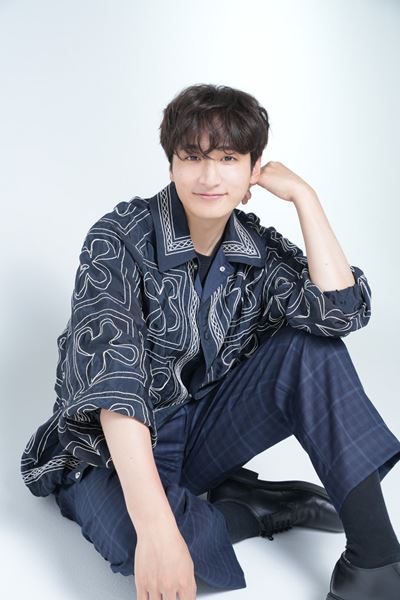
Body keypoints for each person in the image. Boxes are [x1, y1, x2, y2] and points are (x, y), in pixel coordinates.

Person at [20, 83, 400, 600]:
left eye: (227, 158)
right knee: (147, 549)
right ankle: (251, 510)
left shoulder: (254, 246)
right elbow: (115, 388)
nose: (209, 176)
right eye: (193, 157)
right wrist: (158, 532)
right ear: (172, 166)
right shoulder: (119, 237)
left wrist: (305, 198)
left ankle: (375, 564)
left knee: (312, 348)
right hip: (107, 448)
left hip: (196, 432)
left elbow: (340, 313)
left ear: (252, 170)